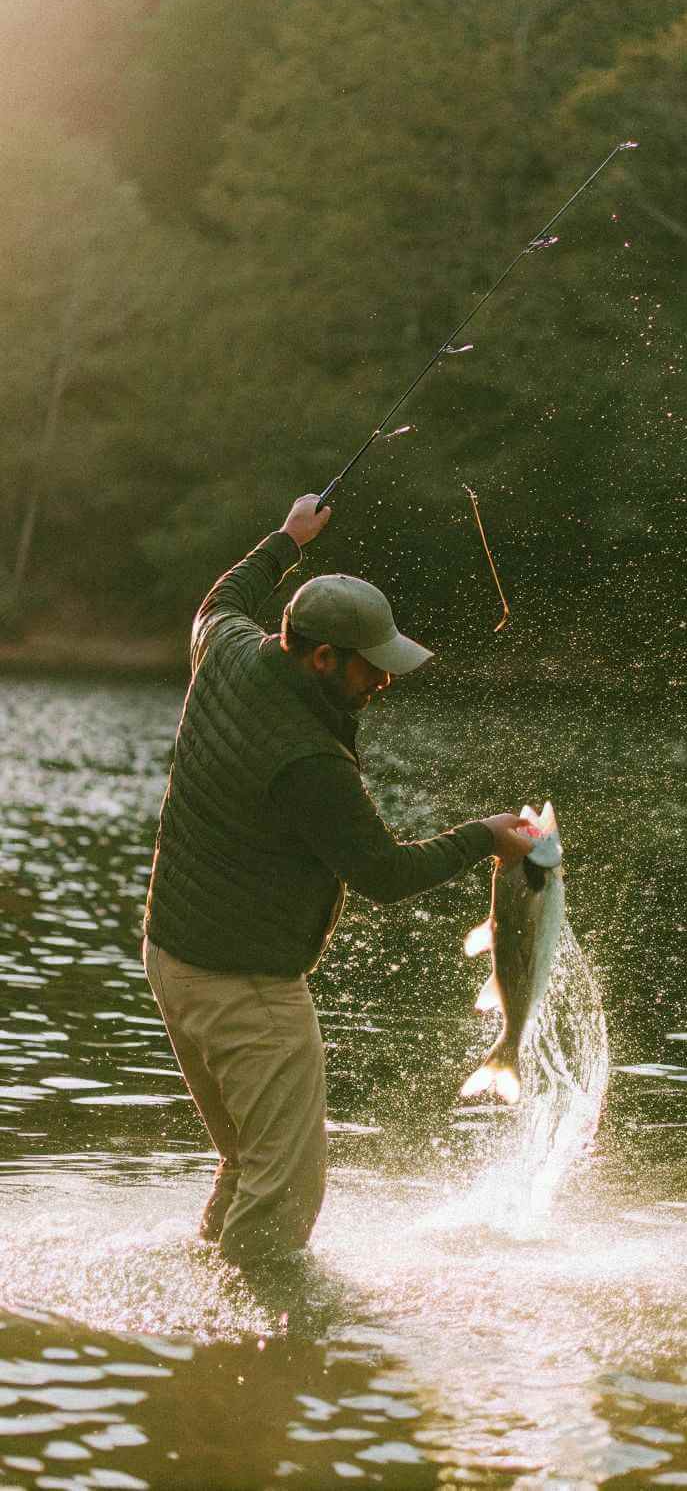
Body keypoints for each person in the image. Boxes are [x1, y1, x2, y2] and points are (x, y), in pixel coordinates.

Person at [143, 493, 535, 1269]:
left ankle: (200, 1324)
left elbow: (221, 598)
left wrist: (288, 539)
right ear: (322, 658)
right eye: (370, 668)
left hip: (171, 959)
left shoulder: (225, 647)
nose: (382, 683)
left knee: (254, 1161)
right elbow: (384, 873)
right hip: (244, 989)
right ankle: (259, 1349)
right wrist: (485, 838)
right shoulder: (311, 763)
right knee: (287, 1189)